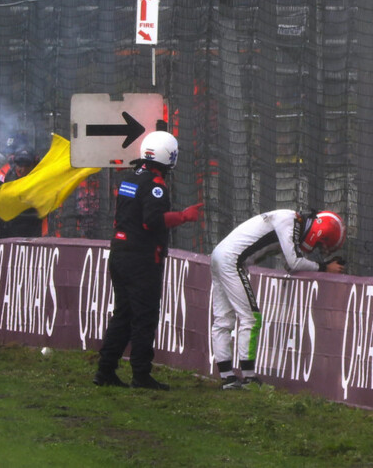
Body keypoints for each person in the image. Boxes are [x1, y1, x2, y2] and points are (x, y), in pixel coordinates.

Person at [94, 131, 204, 390]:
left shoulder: (129, 179)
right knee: (144, 317)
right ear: (169, 155)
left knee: (123, 314)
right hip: (141, 259)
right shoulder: (155, 185)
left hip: (119, 253)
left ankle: (105, 370)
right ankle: (141, 374)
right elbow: (152, 221)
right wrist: (183, 217)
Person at [211, 210, 345, 390]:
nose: (317, 248)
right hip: (232, 261)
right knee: (251, 318)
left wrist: (322, 266)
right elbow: (295, 262)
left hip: (220, 255)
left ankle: (228, 378)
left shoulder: (289, 221)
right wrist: (324, 267)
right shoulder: (289, 221)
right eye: (321, 243)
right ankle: (249, 378)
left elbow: (290, 264)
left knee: (223, 320)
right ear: (319, 232)